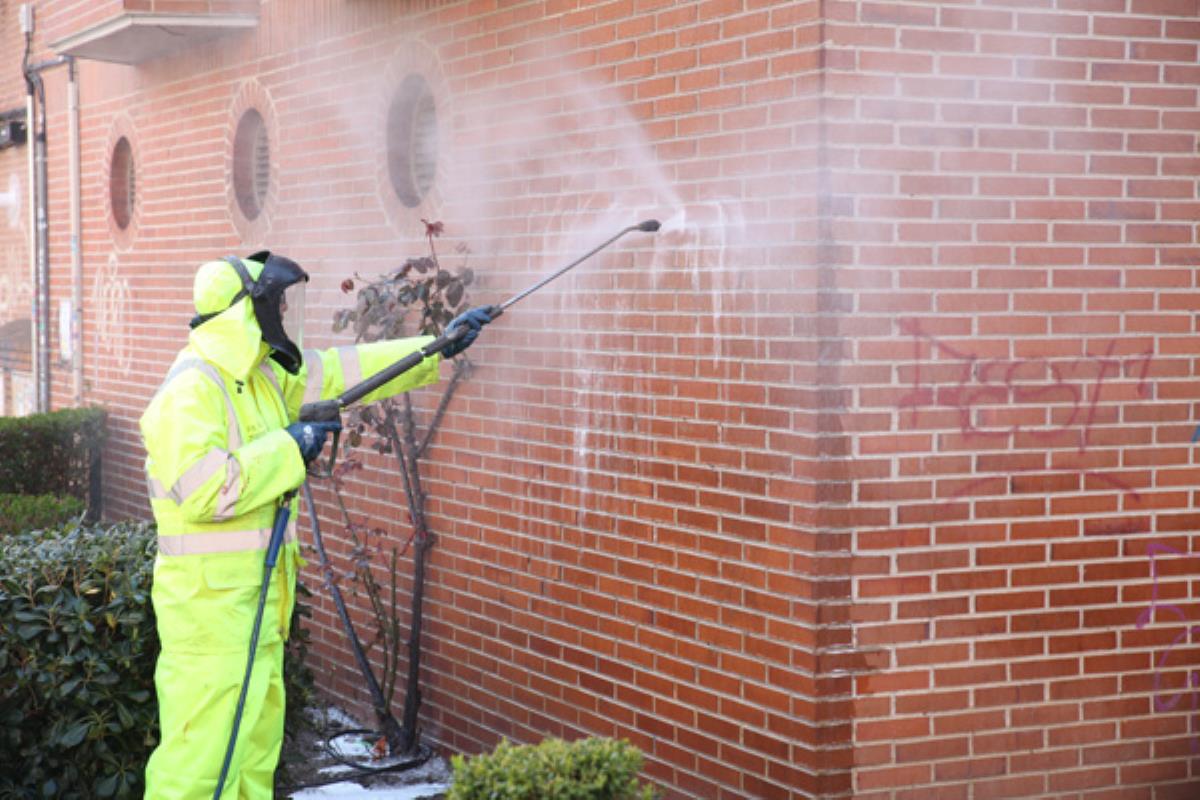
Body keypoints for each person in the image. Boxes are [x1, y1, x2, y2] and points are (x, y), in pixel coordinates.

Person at [139, 252, 493, 798]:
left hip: (250, 613)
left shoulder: (256, 379)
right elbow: (204, 489)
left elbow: (341, 371)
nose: (282, 310)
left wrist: (434, 348)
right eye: (274, 302)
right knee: (203, 767)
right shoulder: (191, 391)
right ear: (243, 314)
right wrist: (290, 445)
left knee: (252, 757)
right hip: (210, 623)